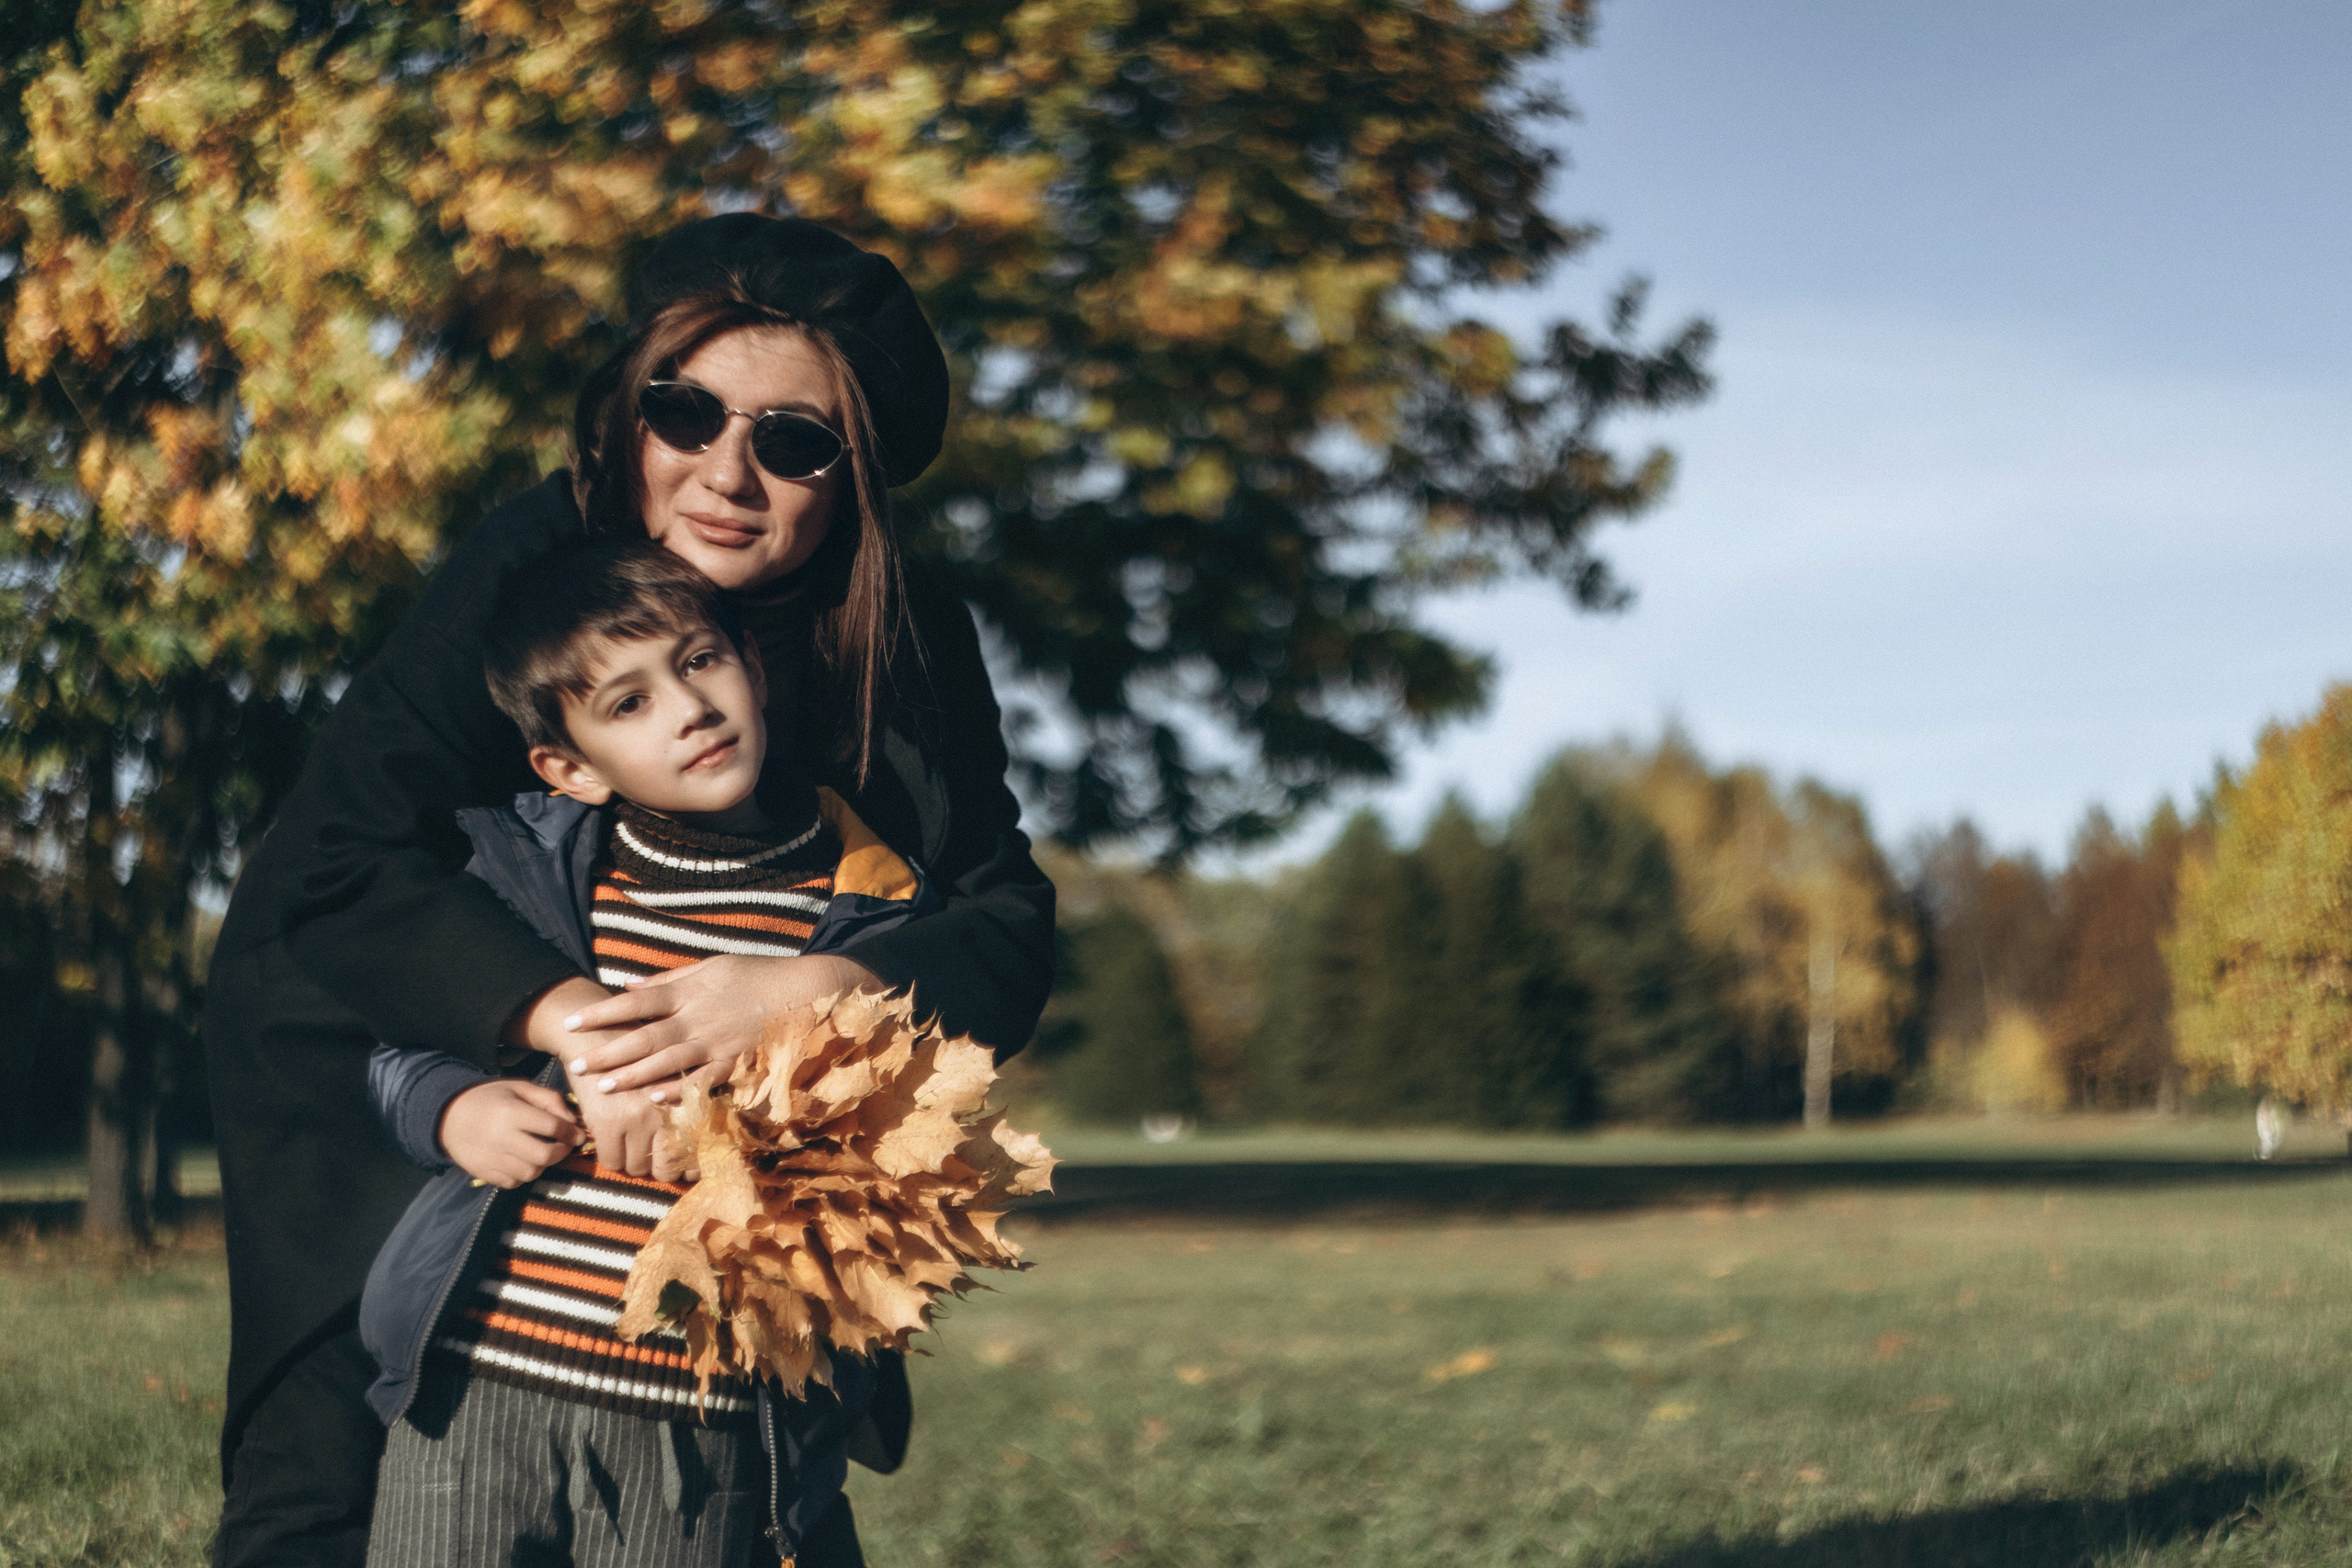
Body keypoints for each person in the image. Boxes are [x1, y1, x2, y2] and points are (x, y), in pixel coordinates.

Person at [204, 216, 1056, 1568]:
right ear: (632, 413)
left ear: (851, 479)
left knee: (747, 1505)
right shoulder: (538, 571)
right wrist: (574, 1028)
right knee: (330, 1488)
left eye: (794, 442)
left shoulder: (903, 636)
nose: (725, 472)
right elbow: (343, 858)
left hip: (710, 1218)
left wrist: (810, 989)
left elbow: (1002, 929)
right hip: (382, 1019)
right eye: (687, 413)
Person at [358, 538, 933, 1565]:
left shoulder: (855, 908)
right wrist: (452, 1109)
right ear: (569, 768)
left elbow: (894, 1139)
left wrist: (739, 1143)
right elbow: (399, 1043)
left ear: (754, 670)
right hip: (474, 1381)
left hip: (696, 1415)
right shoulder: (530, 882)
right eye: (628, 702)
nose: (689, 708)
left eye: (701, 661)